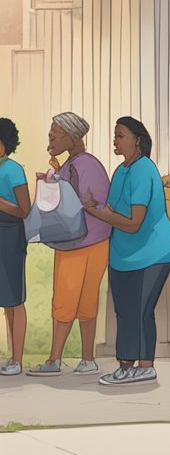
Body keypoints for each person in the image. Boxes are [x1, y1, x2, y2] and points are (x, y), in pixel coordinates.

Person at [83, 117, 170, 386]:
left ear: (137, 139)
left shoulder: (144, 170)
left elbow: (135, 222)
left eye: (120, 135)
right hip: (123, 254)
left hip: (153, 252)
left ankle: (140, 366)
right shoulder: (120, 171)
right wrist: (94, 208)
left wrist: (95, 212)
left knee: (140, 310)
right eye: (115, 135)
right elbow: (112, 211)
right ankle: (129, 366)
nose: (115, 140)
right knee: (124, 311)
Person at [28, 113, 109, 377]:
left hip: (75, 243)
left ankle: (54, 360)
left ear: (71, 137)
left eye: (55, 133)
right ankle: (87, 359)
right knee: (87, 301)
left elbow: (79, 203)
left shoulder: (79, 165)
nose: (50, 137)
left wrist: (55, 185)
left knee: (64, 301)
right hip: (97, 241)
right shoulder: (82, 164)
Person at [0, 118, 30, 377]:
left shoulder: (13, 170)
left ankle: (17, 359)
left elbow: (24, 210)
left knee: (13, 300)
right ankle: (9, 356)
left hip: (10, 237)